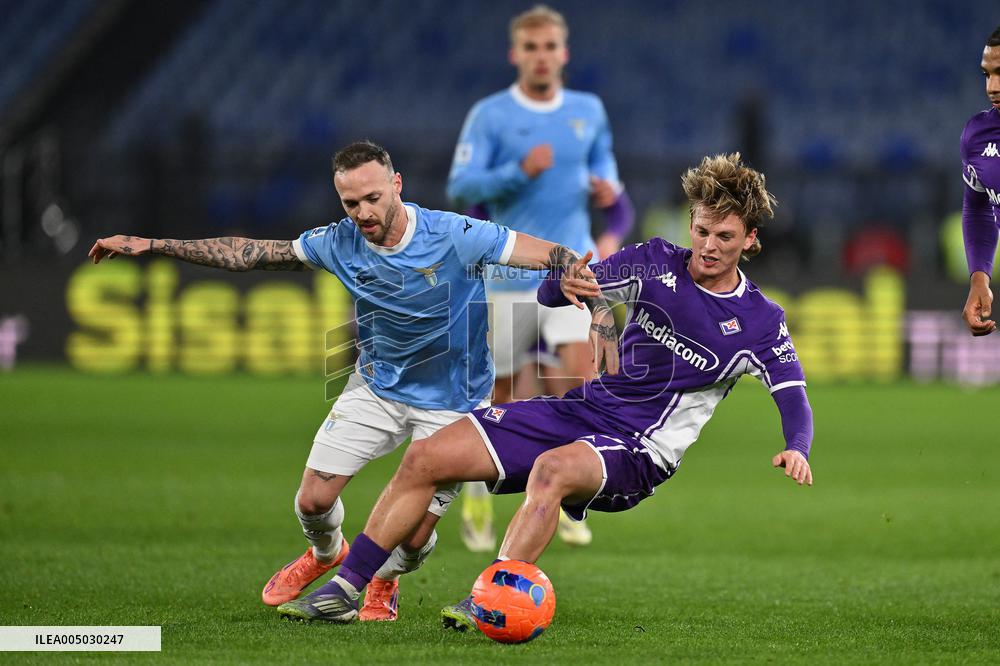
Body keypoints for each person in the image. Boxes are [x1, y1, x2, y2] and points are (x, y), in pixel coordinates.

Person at [277, 153, 815, 627]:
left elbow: (791, 393)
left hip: (642, 448)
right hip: (584, 410)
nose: (708, 246)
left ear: (750, 240)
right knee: (425, 458)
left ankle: (490, 596)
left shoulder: (760, 321)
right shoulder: (654, 260)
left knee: (552, 470)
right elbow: (556, 290)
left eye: (725, 237)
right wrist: (579, 292)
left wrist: (797, 445)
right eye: (701, 231)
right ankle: (346, 590)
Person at [87, 140, 597, 623]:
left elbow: (541, 251)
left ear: (397, 184)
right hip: (376, 387)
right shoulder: (338, 242)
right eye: (352, 202)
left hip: (454, 401)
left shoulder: (455, 235)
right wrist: (151, 244)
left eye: (373, 198)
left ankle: (384, 581)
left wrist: (570, 268)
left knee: (414, 537)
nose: (364, 213)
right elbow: (246, 253)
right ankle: (324, 553)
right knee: (312, 500)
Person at [447, 4, 634, 552]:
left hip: (570, 276)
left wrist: (609, 221)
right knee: (501, 394)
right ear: (515, 54)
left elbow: (612, 190)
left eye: (550, 46)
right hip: (508, 276)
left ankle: (568, 498)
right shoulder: (490, 115)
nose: (542, 56)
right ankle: (479, 491)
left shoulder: (588, 111)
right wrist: (517, 171)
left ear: (564, 52)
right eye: (531, 47)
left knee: (582, 384)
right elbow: (462, 191)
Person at [961, 25, 1000, 337]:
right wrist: (979, 278)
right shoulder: (978, 135)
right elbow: (978, 208)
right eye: (987, 74)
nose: (993, 87)